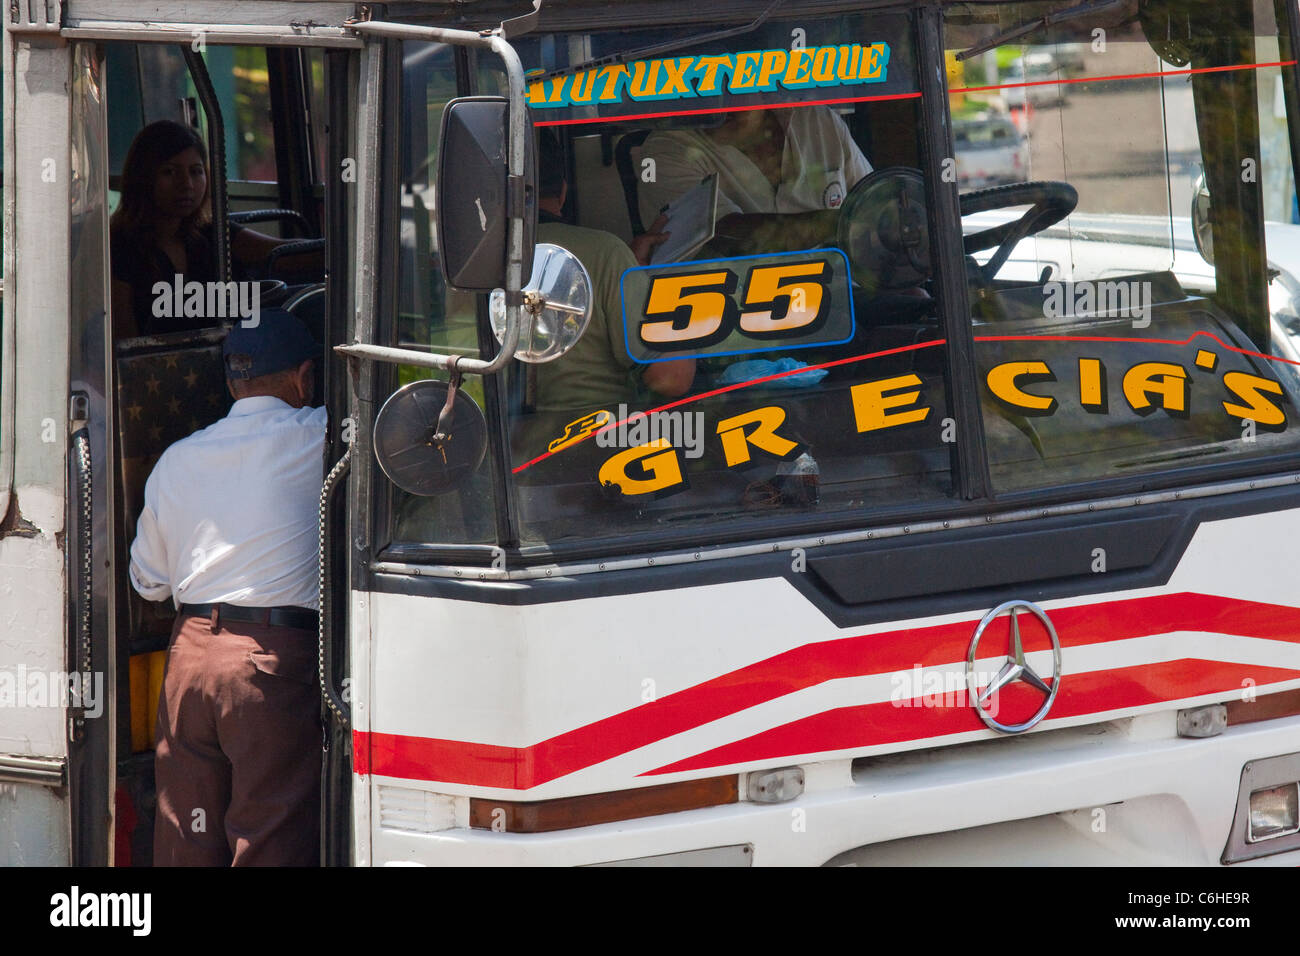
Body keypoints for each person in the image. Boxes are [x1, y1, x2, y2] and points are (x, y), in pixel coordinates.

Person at [129, 309, 326, 866]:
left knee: (185, 836)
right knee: (269, 832)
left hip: (188, 659)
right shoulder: (318, 435)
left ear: (232, 382)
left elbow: (147, 582)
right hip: (267, 663)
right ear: (304, 377)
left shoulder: (178, 459)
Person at [532, 130, 695, 414]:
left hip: (505, 443)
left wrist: (631, 271)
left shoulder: (467, 265)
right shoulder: (605, 252)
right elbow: (671, 377)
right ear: (562, 191)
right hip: (596, 441)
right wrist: (662, 281)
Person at [110, 120, 307, 338]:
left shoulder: (211, 233)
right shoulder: (120, 244)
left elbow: (281, 254)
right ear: (143, 177)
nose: (187, 184)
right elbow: (123, 339)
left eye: (196, 171)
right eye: (169, 172)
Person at [639, 104, 872, 253]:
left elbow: (874, 199)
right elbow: (724, 238)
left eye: (732, 82)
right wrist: (838, 222)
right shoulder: (666, 150)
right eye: (700, 83)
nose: (717, 102)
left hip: (846, 298)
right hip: (736, 309)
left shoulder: (818, 120)